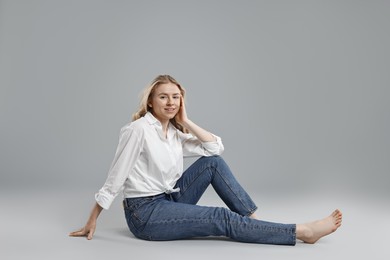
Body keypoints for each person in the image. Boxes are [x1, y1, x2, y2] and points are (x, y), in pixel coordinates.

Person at [69, 75, 342, 245]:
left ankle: (256, 223)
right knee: (219, 216)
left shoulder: (174, 132)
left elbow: (214, 149)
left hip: (169, 200)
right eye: (163, 96)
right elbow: (116, 175)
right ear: (151, 102)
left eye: (176, 97)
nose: (170, 102)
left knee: (213, 165)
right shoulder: (138, 130)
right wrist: (93, 218)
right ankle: (302, 232)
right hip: (146, 214)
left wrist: (185, 120)